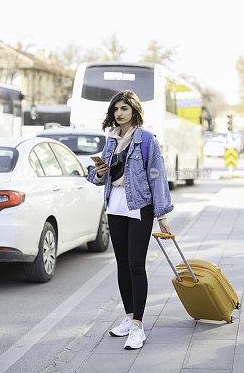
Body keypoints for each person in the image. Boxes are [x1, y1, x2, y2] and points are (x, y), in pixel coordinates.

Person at [87, 90, 174, 350]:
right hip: (115, 204)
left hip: (138, 206)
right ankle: (127, 316)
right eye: (116, 109)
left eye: (124, 108)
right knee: (122, 264)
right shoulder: (111, 140)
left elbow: (157, 176)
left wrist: (162, 214)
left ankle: (138, 325)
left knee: (136, 264)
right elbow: (101, 177)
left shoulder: (147, 140)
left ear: (134, 111)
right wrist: (100, 172)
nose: (119, 113)